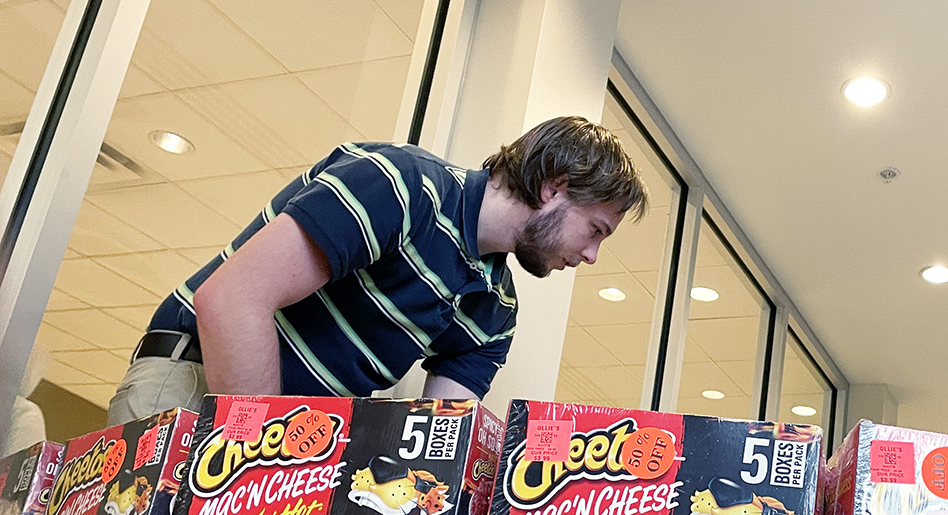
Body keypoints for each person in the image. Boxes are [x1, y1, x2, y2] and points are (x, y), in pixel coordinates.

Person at [106, 116, 644, 424]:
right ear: (554, 187)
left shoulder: (494, 312)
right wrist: (257, 458)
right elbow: (230, 299)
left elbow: (438, 435)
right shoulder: (401, 185)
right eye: (596, 230)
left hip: (290, 445)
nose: (590, 257)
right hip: (194, 389)